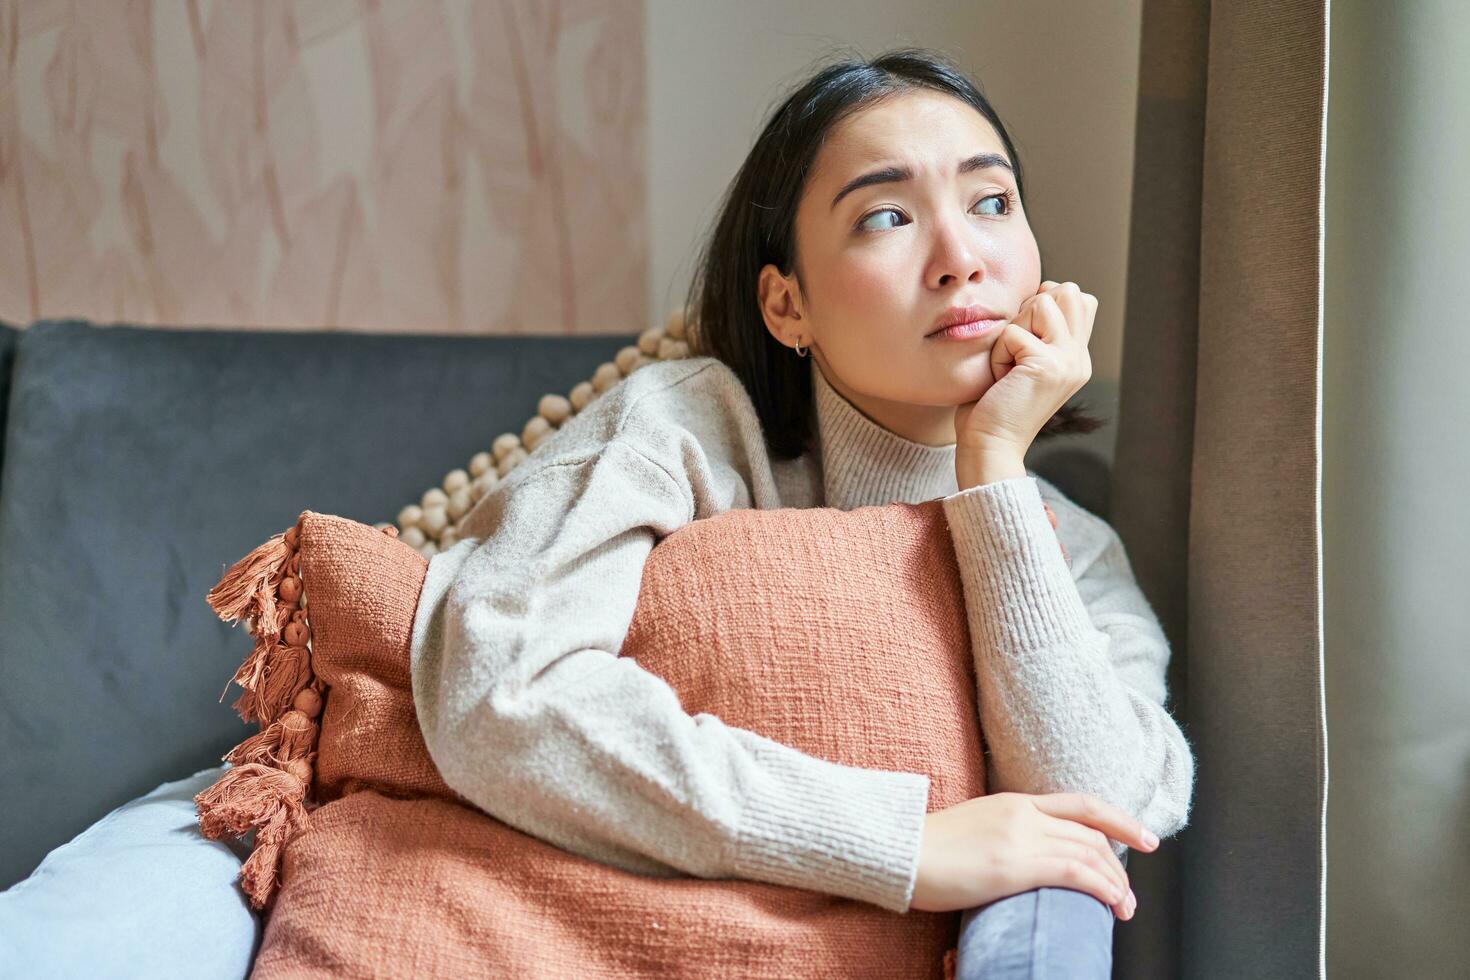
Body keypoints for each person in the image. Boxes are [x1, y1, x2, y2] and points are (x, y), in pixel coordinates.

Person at [410, 46, 1195, 979]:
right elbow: (500, 689)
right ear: (788, 305)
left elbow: (1103, 803)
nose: (961, 260)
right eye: (888, 216)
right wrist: (899, 844)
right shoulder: (679, 431)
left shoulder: (1066, 545)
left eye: (991, 203)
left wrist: (991, 476)